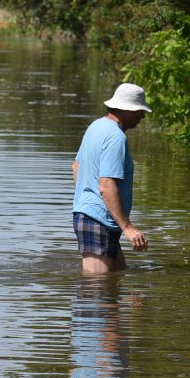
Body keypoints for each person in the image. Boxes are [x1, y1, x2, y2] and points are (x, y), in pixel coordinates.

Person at [72, 83, 151, 273]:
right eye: (140, 110)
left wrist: (86, 201)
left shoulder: (96, 126)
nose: (143, 115)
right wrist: (128, 228)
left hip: (98, 217)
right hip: (97, 220)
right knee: (97, 289)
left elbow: (76, 167)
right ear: (126, 110)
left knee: (117, 277)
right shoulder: (116, 137)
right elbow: (106, 185)